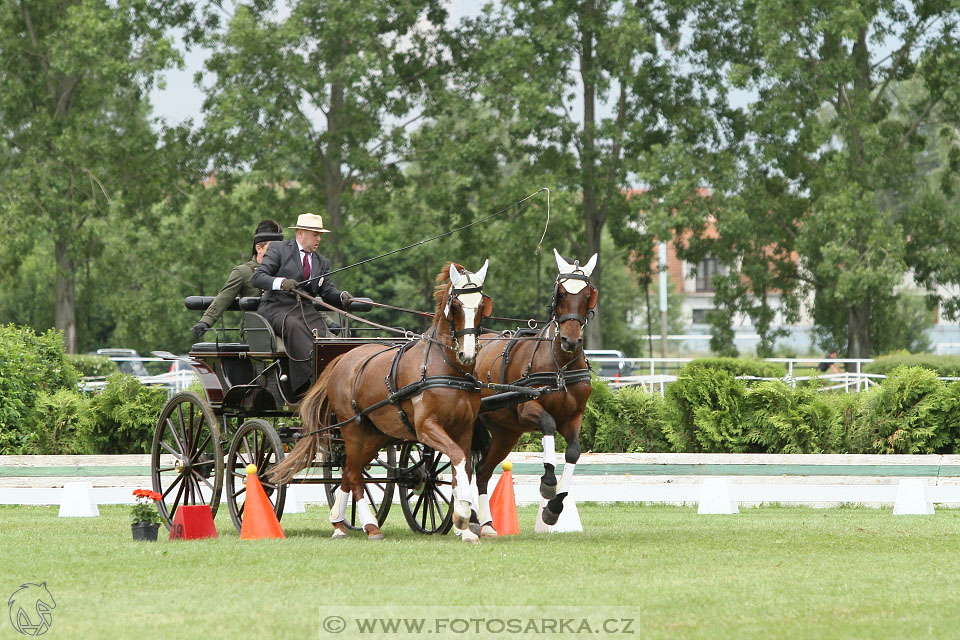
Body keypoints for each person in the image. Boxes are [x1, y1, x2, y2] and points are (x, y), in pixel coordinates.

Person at [250, 212, 354, 395]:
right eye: (315, 234)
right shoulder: (279, 249)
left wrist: (342, 297)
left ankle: (335, 373)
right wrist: (282, 283)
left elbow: (327, 291)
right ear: (300, 233)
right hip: (276, 307)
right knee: (294, 327)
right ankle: (307, 383)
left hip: (305, 310)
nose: (319, 239)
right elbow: (258, 278)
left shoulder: (321, 262)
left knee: (324, 337)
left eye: (320, 235)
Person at [191, 220, 284, 338]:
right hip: (256, 331)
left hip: (284, 327)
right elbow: (223, 297)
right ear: (259, 248)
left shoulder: (286, 271)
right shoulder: (244, 272)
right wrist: (205, 322)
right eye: (272, 248)